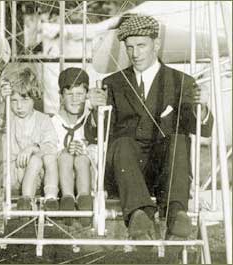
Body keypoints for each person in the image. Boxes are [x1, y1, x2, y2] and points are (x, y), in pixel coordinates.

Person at [85, 14, 213, 240]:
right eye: (130, 47)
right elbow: (95, 135)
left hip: (166, 173)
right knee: (122, 143)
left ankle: (176, 215)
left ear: (156, 44)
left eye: (141, 46)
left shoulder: (181, 82)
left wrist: (201, 107)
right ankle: (139, 217)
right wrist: (96, 112)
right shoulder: (111, 84)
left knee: (178, 139)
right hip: (126, 172)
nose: (135, 54)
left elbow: (201, 128)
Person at [0, 67, 59, 211]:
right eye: (14, 101)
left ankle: (49, 199)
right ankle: (27, 200)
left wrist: (33, 148)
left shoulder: (43, 119)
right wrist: (3, 101)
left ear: (34, 97)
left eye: (24, 100)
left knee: (43, 158)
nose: (19, 106)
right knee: (37, 159)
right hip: (10, 174)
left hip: (37, 176)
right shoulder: (8, 117)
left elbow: (52, 145)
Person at [49, 67, 97, 225]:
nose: (75, 99)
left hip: (87, 175)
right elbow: (48, 148)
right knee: (64, 156)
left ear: (87, 95)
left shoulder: (91, 120)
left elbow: (100, 146)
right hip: (61, 176)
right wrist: (64, 151)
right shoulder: (52, 122)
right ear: (61, 96)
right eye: (69, 94)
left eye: (80, 94)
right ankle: (67, 200)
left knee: (83, 157)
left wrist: (85, 149)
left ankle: (84, 200)